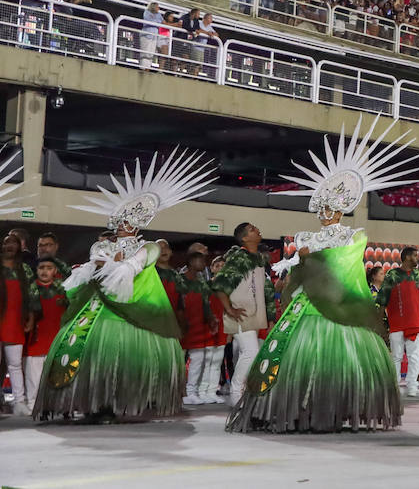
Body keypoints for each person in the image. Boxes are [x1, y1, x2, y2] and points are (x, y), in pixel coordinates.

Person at [227, 118, 417, 433]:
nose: (328, 212)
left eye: (334, 207)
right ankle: (300, 407)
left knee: (335, 360)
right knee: (298, 359)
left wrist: (310, 260)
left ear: (342, 209)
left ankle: (334, 407)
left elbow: (342, 263)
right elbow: (293, 276)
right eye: (324, 207)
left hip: (337, 305)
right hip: (305, 307)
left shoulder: (353, 236)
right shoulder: (306, 238)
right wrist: (300, 263)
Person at [34, 149, 215, 422]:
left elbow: (137, 264)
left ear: (138, 223)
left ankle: (124, 401)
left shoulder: (147, 247)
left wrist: (122, 263)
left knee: (125, 359)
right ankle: (96, 404)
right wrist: (104, 263)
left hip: (135, 309)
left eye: (129, 220)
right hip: (98, 311)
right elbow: (94, 265)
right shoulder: (102, 245)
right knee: (91, 355)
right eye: (120, 220)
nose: (122, 225)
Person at [210, 222, 270, 407]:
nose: (257, 229)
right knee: (250, 352)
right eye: (252, 229)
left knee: (252, 353)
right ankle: (236, 394)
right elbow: (219, 284)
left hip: (253, 314)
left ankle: (243, 394)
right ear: (244, 238)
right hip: (240, 314)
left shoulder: (257, 258)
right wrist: (229, 309)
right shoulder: (239, 258)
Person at [179, 246, 224, 406]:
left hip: (199, 326)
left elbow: (206, 303)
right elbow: (178, 304)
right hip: (183, 325)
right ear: (191, 261)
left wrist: (210, 318)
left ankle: (193, 391)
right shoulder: (181, 280)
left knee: (199, 359)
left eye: (204, 260)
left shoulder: (201, 282)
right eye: (199, 260)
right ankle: (180, 391)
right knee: (179, 360)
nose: (203, 263)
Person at [377, 247, 419, 397]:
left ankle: (412, 387)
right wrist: (379, 322)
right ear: (407, 257)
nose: (417, 259)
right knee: (396, 356)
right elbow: (383, 298)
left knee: (413, 356)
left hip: (414, 321)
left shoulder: (418, 275)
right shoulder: (393, 275)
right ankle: (394, 386)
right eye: (415, 256)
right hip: (396, 322)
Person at [24, 257, 66, 411]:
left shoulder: (64, 291)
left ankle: (57, 406)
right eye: (41, 267)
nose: (44, 271)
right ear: (36, 270)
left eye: (49, 268)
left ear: (55, 271)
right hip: (34, 344)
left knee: (57, 379)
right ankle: (32, 405)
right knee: (33, 380)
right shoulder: (29, 290)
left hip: (56, 344)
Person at [1, 232, 35, 415]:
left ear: (19, 247)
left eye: (12, 243)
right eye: (6, 243)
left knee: (14, 364)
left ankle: (20, 402)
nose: (9, 246)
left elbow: (31, 296)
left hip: (15, 320)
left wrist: (30, 317)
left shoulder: (25, 269)